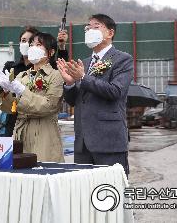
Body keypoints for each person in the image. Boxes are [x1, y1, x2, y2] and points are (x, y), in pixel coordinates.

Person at [56, 14, 133, 176]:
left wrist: (83, 78)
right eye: (87, 27)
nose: (90, 30)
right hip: (82, 142)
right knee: (84, 193)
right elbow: (73, 101)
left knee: (110, 191)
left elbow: (115, 91)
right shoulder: (83, 63)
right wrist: (70, 83)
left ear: (110, 33)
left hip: (108, 140)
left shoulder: (122, 59)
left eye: (96, 26)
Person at [0, 32, 64, 162]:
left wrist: (22, 91)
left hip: (44, 132)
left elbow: (48, 106)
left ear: (51, 52)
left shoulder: (56, 76)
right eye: (31, 45)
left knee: (42, 171)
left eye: (39, 45)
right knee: (20, 174)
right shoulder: (21, 76)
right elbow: (9, 109)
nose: (33, 48)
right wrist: (5, 91)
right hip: (19, 131)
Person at [0, 26, 69, 137]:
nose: (30, 46)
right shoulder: (16, 71)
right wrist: (5, 92)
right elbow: (7, 107)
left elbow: (48, 105)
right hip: (16, 127)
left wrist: (21, 93)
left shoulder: (53, 73)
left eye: (37, 44)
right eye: (26, 42)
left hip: (42, 131)